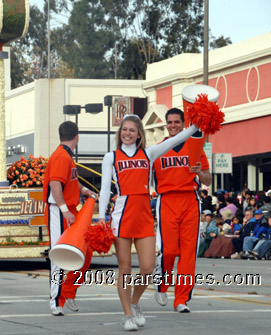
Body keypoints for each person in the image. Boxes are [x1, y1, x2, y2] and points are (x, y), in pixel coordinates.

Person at [98, 114, 198, 330]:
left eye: (132, 130)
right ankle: (127, 315)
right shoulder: (110, 157)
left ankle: (134, 303)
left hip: (144, 216)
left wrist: (196, 127)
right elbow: (105, 189)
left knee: (148, 268)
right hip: (122, 216)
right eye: (124, 129)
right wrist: (99, 217)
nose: (127, 133)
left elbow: (175, 140)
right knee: (124, 268)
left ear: (139, 134)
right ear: (120, 132)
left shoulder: (149, 153)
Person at [152, 108, 212, 313]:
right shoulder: (157, 149)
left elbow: (208, 179)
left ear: (184, 123)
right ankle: (161, 284)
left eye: (177, 122)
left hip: (190, 201)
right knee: (169, 250)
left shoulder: (195, 147)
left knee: (188, 253)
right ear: (166, 125)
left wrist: (199, 173)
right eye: (170, 122)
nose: (173, 125)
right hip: (166, 201)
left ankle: (181, 299)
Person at [43, 121, 98, 317]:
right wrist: (65, 209)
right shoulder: (61, 156)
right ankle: (56, 301)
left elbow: (69, 181)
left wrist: (83, 190)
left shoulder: (65, 156)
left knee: (84, 252)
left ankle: (67, 292)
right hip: (59, 211)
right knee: (59, 256)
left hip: (67, 210)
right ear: (77, 136)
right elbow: (55, 184)